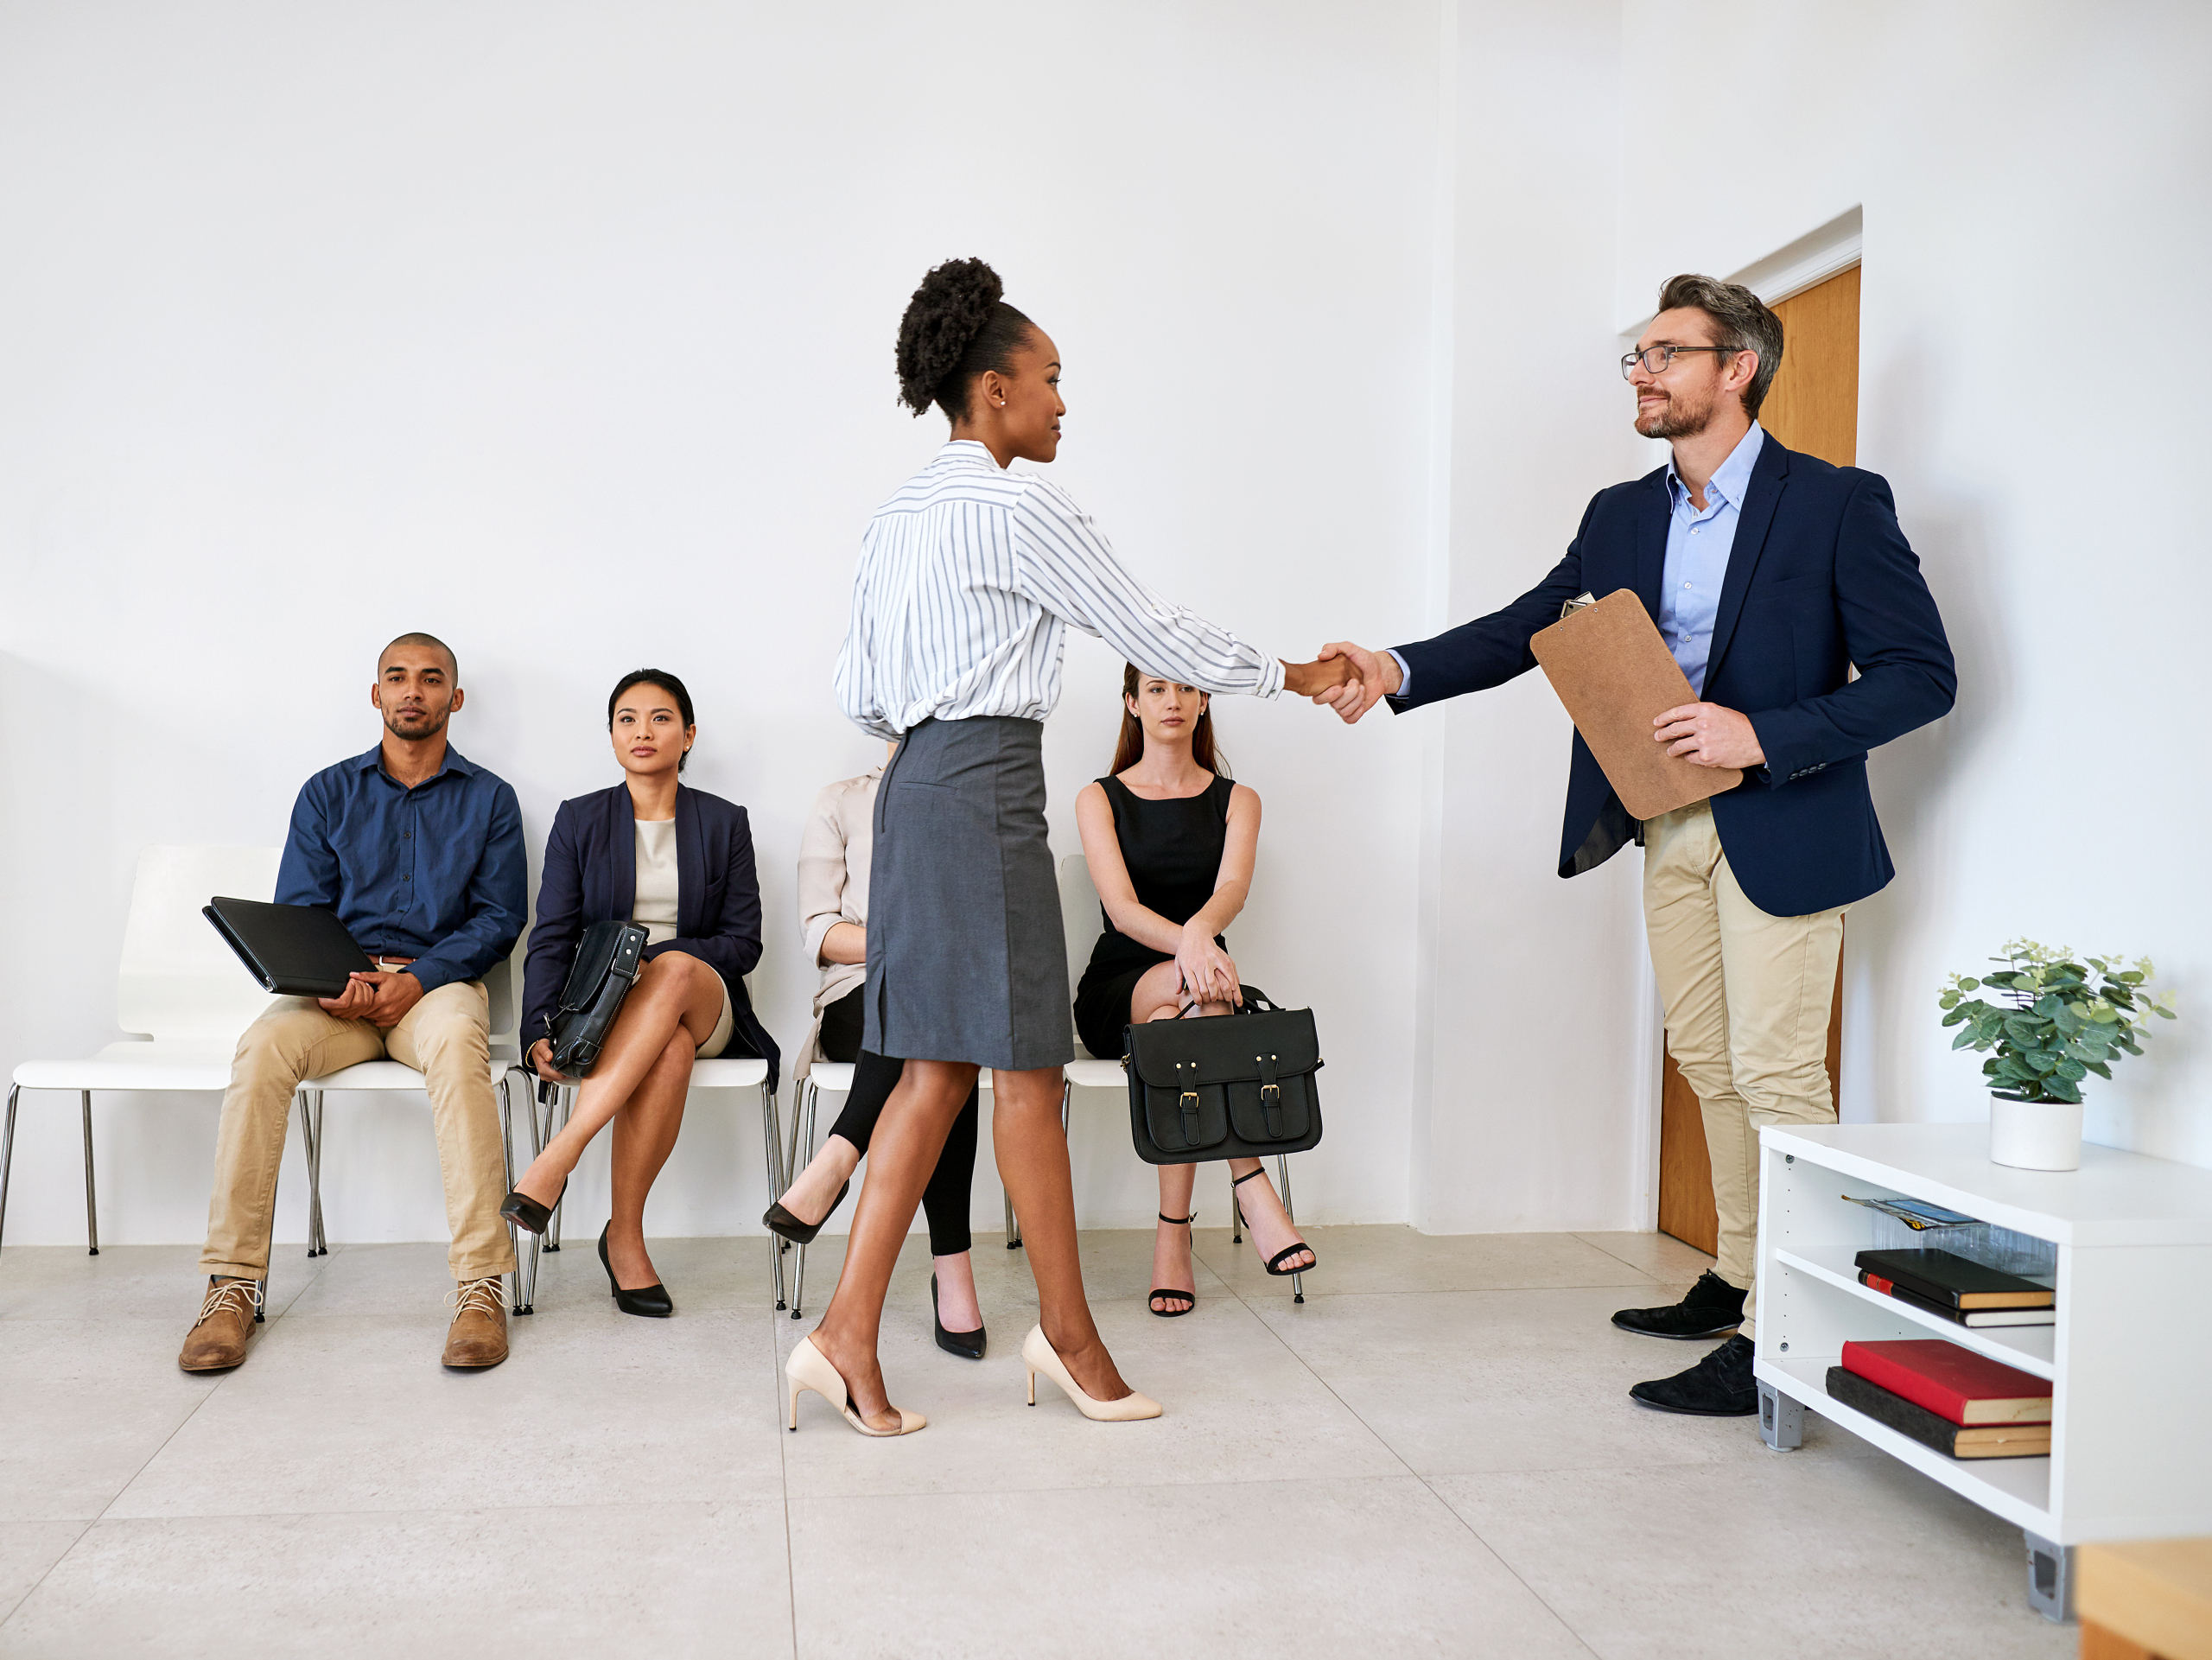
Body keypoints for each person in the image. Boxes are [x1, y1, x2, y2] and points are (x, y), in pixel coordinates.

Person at [1315, 273, 1955, 1418]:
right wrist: (1396, 666)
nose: (1643, 372)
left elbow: (1921, 678)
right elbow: (1529, 626)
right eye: (1638, 356)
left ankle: (1780, 1335)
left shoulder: (1835, 503)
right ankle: (1741, 1271)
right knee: (1706, 1058)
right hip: (1667, 819)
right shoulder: (1623, 514)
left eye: (1666, 353)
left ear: (1736, 368)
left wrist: (1761, 732)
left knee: (1774, 1072)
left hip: (1789, 820)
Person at [785, 256, 1352, 1437]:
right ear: (992, 390)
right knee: (1026, 1073)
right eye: (1048, 380)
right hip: (983, 791)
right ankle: (1071, 1340)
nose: (1059, 403)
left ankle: (845, 1339)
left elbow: (860, 691)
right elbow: (1148, 627)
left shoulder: (897, 515)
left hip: (917, 786)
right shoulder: (1018, 505)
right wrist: (1290, 672)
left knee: (940, 1073)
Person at [178, 633, 524, 1373]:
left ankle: (480, 1286)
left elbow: (499, 917)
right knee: (262, 1048)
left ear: (454, 699)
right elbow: (300, 908)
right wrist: (337, 981)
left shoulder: (491, 798)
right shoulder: (326, 792)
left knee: (461, 1047)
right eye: (396, 678)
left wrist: (418, 978)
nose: (412, 691)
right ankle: (232, 1285)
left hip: (433, 990)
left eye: (431, 680)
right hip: (335, 993)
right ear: (376, 695)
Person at [502, 670, 778, 1317]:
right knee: (670, 1051)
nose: (643, 731)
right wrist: (537, 1025)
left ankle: (558, 1157)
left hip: (705, 999)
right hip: (611, 1015)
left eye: (659, 718)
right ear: (611, 735)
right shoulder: (580, 819)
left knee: (677, 969)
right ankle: (624, 1235)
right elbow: (553, 935)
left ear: (688, 734)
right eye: (627, 718)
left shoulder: (724, 822)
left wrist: (649, 964)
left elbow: (744, 943)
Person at [1073, 665, 1315, 1316]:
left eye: (1184, 687)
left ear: (1205, 700)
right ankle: (1252, 1182)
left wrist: (1200, 938)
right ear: (1132, 703)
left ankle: (1172, 1237)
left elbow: (1230, 891)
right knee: (1199, 1002)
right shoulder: (1099, 798)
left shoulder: (1239, 800)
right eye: (1155, 689)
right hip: (1119, 982)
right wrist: (1193, 948)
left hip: (1200, 986)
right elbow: (1122, 910)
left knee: (1192, 1010)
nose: (1172, 701)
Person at [766, 745, 988, 1358]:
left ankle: (837, 1155)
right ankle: (955, 1269)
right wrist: (904, 946)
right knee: (939, 1042)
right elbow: (820, 930)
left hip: (950, 998)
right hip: (858, 995)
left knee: (939, 1035)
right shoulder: (842, 798)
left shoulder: (973, 797)